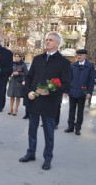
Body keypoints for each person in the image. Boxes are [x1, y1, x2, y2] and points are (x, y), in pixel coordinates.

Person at [19, 32, 70, 171]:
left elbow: (66, 84)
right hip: (34, 101)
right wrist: (29, 91)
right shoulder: (37, 59)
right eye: (46, 39)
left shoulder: (63, 62)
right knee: (32, 130)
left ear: (58, 43)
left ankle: (48, 158)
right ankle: (31, 153)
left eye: (51, 40)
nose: (47, 42)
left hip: (50, 103)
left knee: (49, 132)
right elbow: (29, 78)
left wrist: (50, 91)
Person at [64, 49, 95, 135]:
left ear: (85, 56)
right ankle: (70, 126)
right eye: (78, 55)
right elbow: (69, 78)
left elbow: (91, 81)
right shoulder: (73, 65)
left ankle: (78, 128)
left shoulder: (90, 66)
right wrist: (66, 90)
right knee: (71, 110)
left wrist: (89, 92)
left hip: (82, 92)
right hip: (73, 91)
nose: (79, 56)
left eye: (81, 55)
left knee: (80, 111)